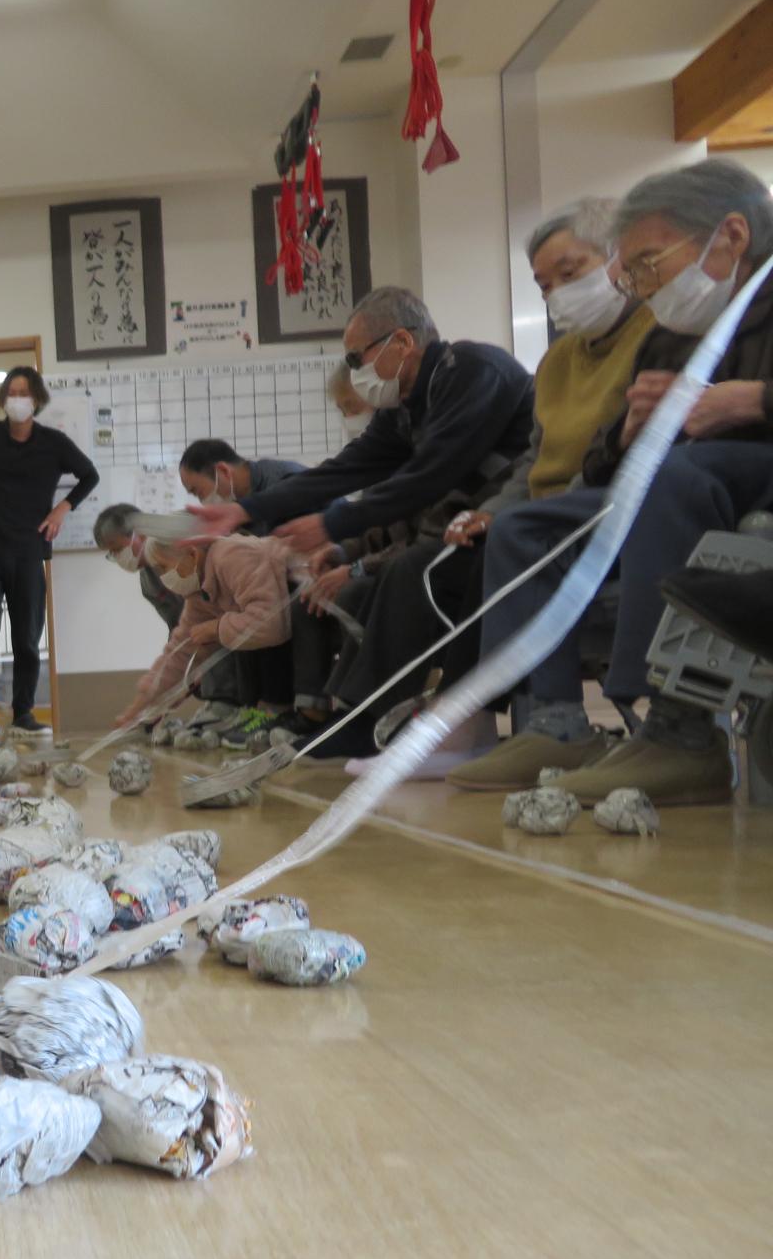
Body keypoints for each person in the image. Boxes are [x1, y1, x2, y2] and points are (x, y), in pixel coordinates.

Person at [451, 159, 773, 804]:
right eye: (636, 272)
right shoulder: (671, 335)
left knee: (673, 478)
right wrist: (624, 434)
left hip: (742, 478)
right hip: (682, 484)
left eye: (650, 263)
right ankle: (555, 721)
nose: (645, 286)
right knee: (525, 527)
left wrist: (753, 400)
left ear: (733, 235)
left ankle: (680, 731)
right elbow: (605, 460)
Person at [324, 199, 655, 780]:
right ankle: (383, 717)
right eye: (543, 284)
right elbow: (535, 459)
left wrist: (513, 515)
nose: (556, 294)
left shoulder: (655, 336)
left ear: (617, 259)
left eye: (570, 272)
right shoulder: (557, 361)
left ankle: (476, 720)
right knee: (439, 559)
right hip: (542, 515)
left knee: (468, 553)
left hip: (607, 509)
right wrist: (492, 511)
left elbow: (623, 453)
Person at [191, 288, 535, 563]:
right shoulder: (402, 407)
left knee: (404, 576)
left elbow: (431, 474)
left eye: (357, 358)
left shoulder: (473, 370)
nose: (355, 372)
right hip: (458, 527)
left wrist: (333, 526)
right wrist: (244, 509)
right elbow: (343, 470)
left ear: (402, 342)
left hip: (512, 519)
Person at [0, 366, 99, 735]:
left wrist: (62, 509)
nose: (17, 399)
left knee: (28, 636)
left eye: (24, 393)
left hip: (29, 549)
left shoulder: (53, 443)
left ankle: (23, 713)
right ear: (2, 399)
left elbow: (89, 475)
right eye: (11, 392)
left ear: (37, 399)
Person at [114, 531, 296, 730]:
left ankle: (279, 713)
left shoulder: (231, 556)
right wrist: (137, 710)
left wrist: (217, 628)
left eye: (164, 567)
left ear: (193, 554)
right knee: (238, 635)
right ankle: (259, 712)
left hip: (309, 601)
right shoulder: (198, 593)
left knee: (244, 637)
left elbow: (272, 624)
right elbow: (179, 654)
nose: (164, 577)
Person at [176, 440, 303, 524]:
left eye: (198, 492)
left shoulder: (288, 481)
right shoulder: (238, 502)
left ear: (224, 471)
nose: (203, 503)